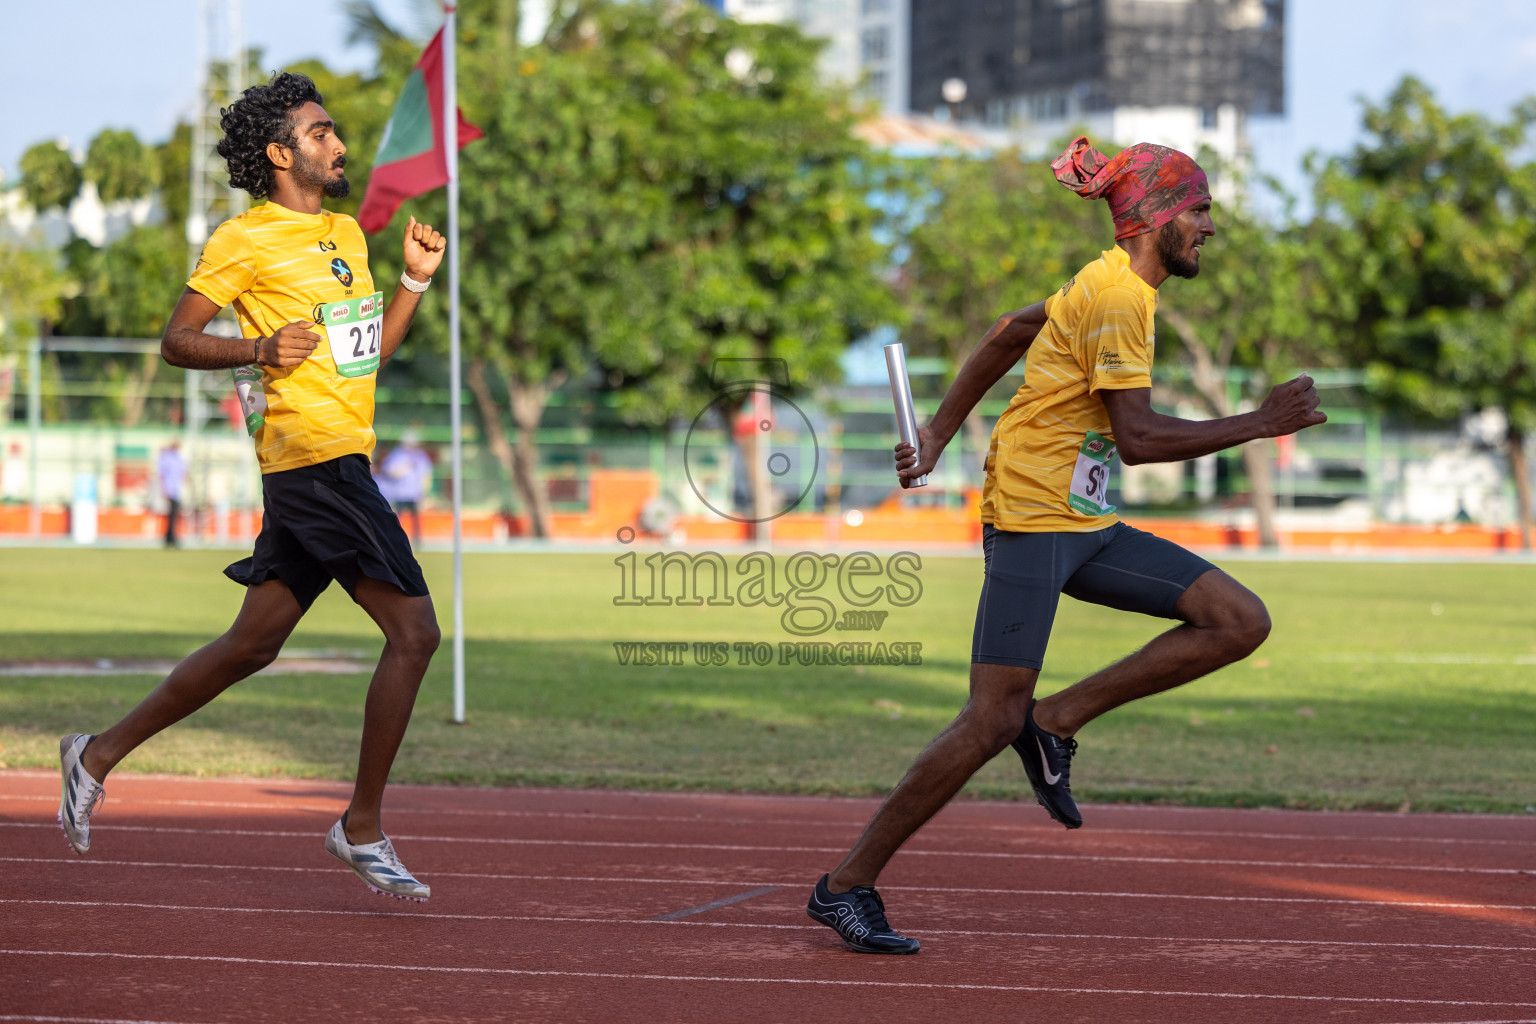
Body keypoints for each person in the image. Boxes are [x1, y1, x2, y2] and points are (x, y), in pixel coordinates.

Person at [806, 136, 1327, 953]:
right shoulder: (1120, 299)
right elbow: (1141, 438)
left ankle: (1056, 722)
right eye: (1200, 209)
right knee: (987, 720)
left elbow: (1012, 328)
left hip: (1079, 520)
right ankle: (844, 887)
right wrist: (1261, 422)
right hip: (1032, 515)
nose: (1210, 227)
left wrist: (940, 432)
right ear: (1158, 217)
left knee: (1238, 620)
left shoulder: (1106, 283)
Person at [57, 72, 445, 901]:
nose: (338, 144)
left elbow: (364, 357)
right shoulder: (244, 239)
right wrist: (260, 351)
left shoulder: (347, 231)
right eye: (321, 132)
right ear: (279, 154)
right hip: (312, 464)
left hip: (342, 457)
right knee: (415, 636)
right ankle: (361, 826)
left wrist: (410, 283)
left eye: (333, 131)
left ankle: (93, 755)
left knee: (251, 646)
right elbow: (177, 341)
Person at [376, 430, 433, 545]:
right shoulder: (397, 455)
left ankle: (417, 542)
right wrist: (403, 469)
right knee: (398, 519)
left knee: (415, 521)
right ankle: (396, 540)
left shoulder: (421, 456)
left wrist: (424, 493)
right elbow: (390, 472)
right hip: (400, 493)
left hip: (415, 494)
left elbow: (426, 475)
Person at [158, 441, 186, 547]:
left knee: (174, 515)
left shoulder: (178, 458)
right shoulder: (167, 458)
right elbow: (163, 474)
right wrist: (165, 490)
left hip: (177, 490)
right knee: (171, 515)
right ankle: (170, 536)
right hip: (170, 489)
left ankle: (170, 536)